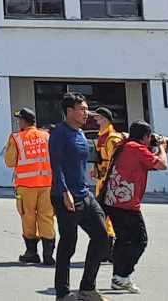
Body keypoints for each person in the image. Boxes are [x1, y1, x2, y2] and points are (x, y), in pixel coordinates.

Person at [52, 92, 113, 301]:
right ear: (69, 111)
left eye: (87, 109)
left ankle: (87, 288)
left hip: (85, 193)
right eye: (82, 109)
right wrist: (64, 192)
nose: (86, 113)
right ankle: (62, 293)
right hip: (66, 196)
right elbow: (56, 166)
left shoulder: (80, 133)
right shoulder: (60, 134)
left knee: (102, 237)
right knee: (68, 244)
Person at [104, 120, 168, 293]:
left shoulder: (124, 145)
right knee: (140, 240)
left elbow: (147, 165)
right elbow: (162, 165)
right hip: (127, 203)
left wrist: (155, 150)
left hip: (113, 201)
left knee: (123, 240)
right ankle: (123, 276)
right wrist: (162, 148)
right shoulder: (137, 148)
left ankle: (118, 277)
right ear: (146, 137)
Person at [4, 107, 56, 265]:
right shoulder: (46, 136)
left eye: (19, 119)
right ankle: (48, 256)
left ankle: (31, 252)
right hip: (47, 184)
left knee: (28, 217)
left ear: (23, 121)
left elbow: (9, 162)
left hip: (26, 186)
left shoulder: (16, 138)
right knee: (46, 218)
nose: (18, 121)